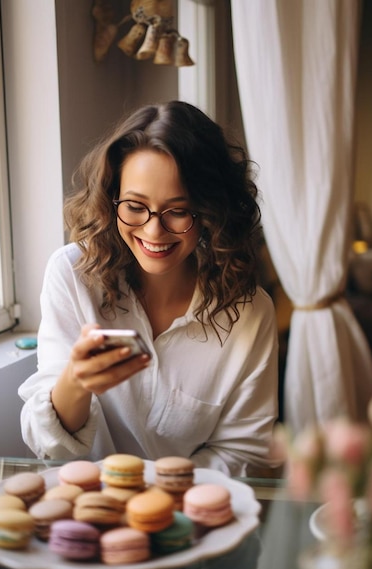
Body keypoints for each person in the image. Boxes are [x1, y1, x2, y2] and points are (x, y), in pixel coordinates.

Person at [19, 100, 278, 477]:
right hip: (86, 508)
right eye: (135, 206)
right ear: (112, 200)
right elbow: (47, 447)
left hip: (189, 516)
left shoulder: (250, 314)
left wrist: (157, 499)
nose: (154, 231)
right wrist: (76, 381)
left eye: (178, 210)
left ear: (210, 212)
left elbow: (243, 453)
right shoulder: (72, 275)